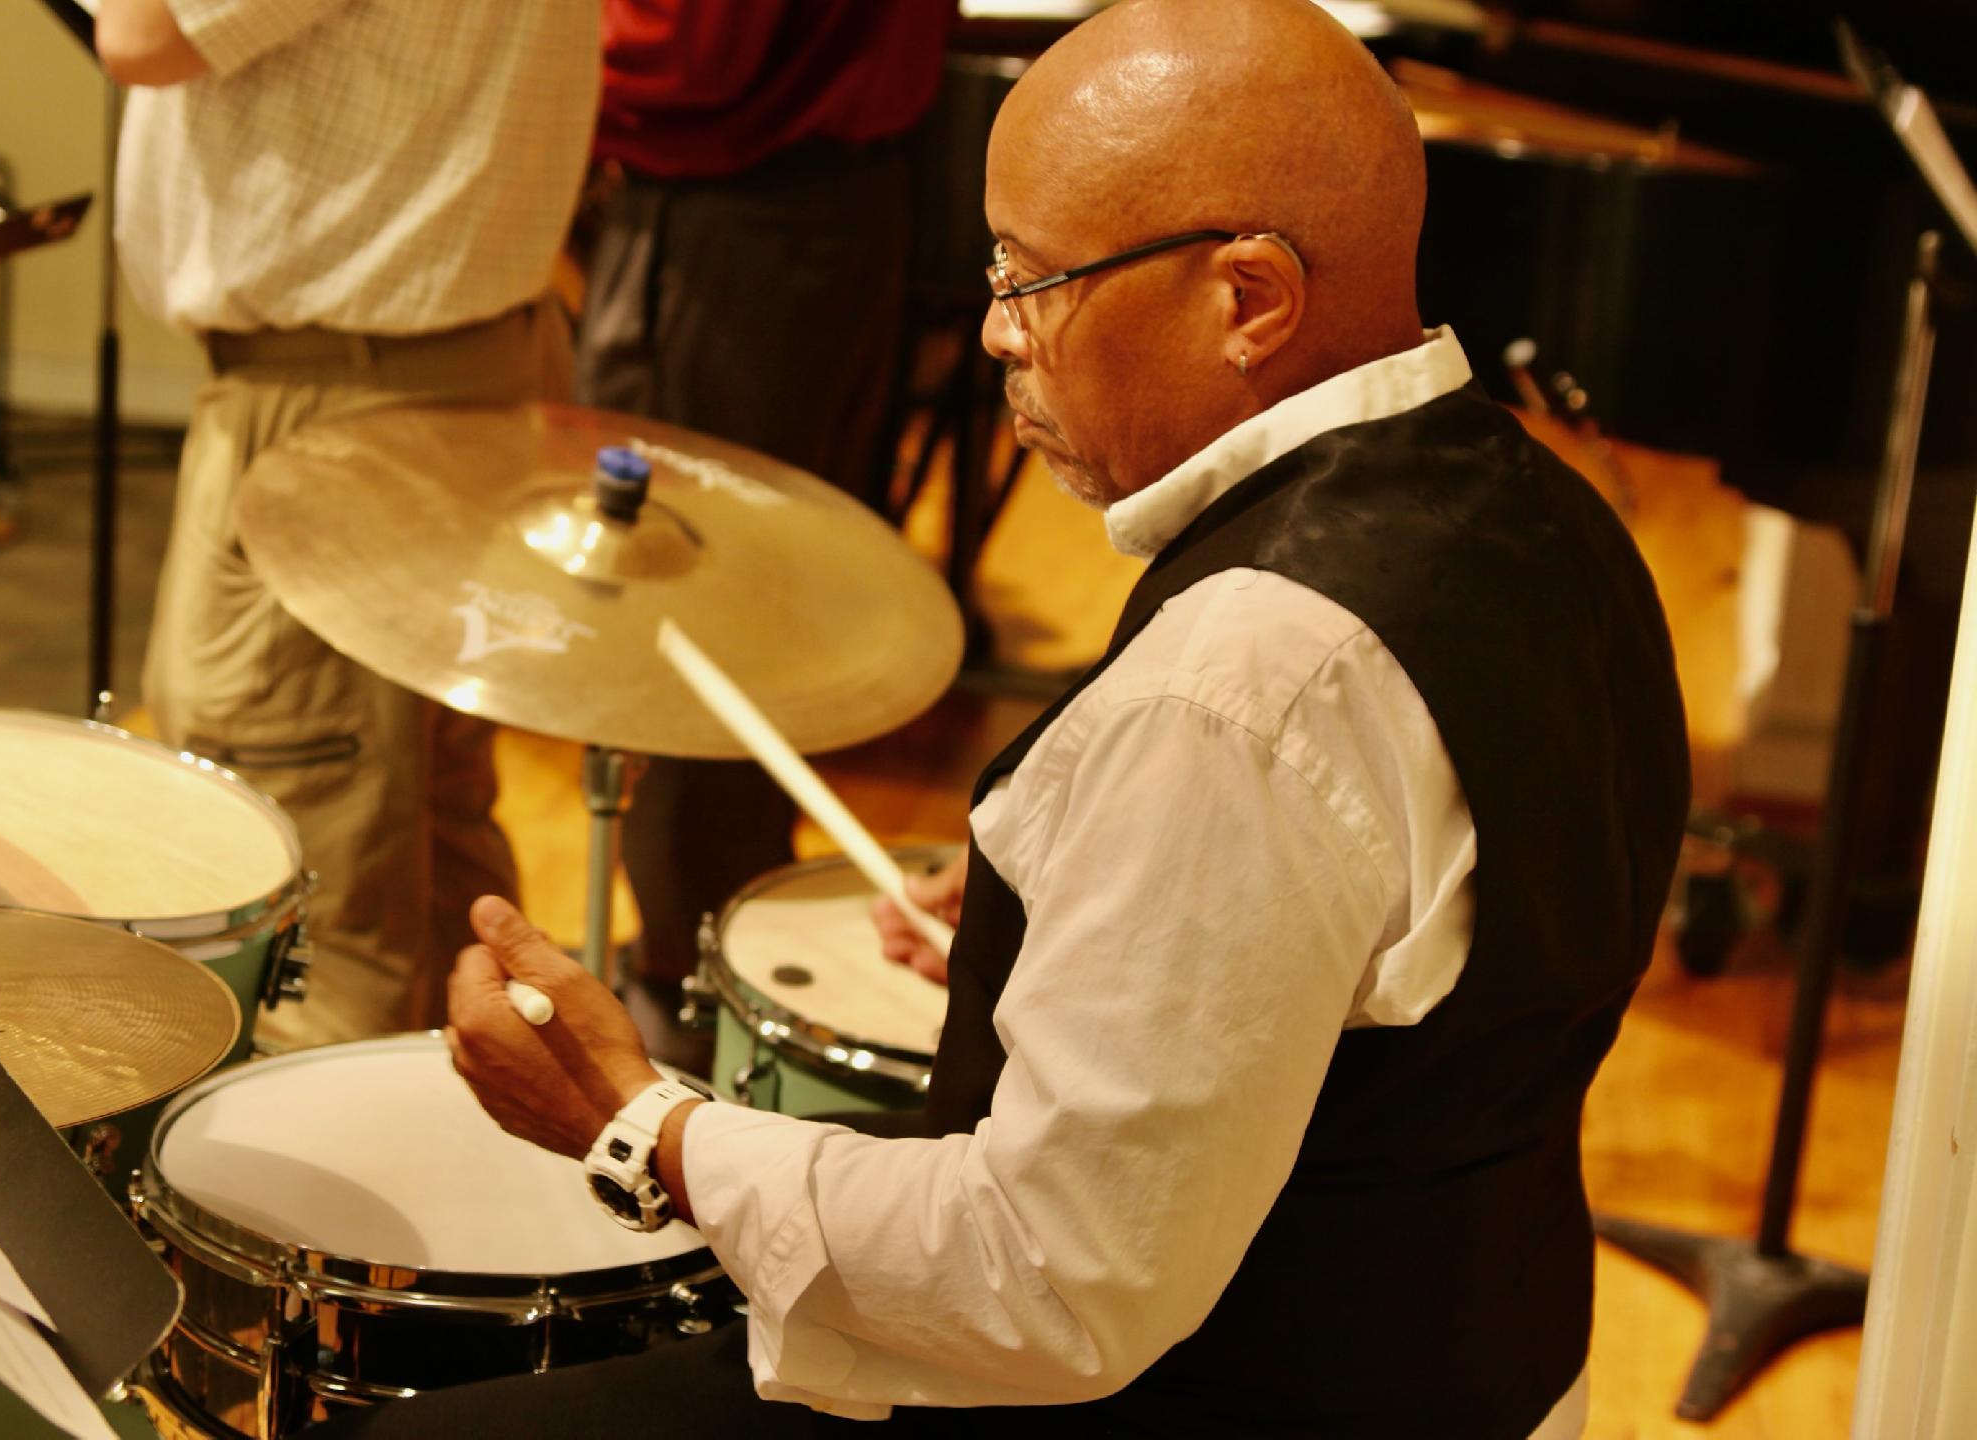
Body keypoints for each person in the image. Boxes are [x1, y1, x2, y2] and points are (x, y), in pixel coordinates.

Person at [314, 0, 1688, 1433]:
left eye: (1035, 279)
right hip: (1497, 1360)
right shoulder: (1545, 518)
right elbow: (1427, 954)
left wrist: (639, 1125)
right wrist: (1099, 898)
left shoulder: (1241, 689)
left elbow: (1049, 1281)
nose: (993, 331)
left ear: (1250, 299)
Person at [96, 0, 599, 1046]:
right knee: (424, 822)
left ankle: (336, 1205)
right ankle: (468, 1177)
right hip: (462, 356)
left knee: (297, 885)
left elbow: (141, 33)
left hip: (342, 400)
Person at [572, 0, 956, 1031]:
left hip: (732, 221)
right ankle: (707, 961)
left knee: (682, 623)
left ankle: (687, 997)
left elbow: (687, 53)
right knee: (755, 617)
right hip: (832, 203)